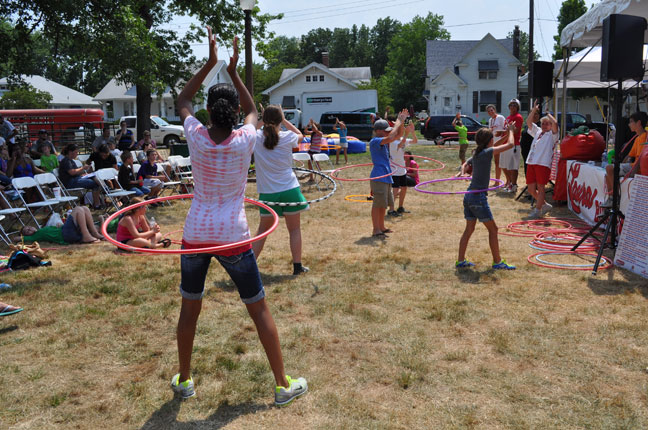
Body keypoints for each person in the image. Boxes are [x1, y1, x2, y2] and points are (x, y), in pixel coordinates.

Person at [172, 28, 307, 405]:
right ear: (233, 112)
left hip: (196, 232)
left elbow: (182, 97)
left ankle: (184, 380)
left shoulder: (195, 134)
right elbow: (253, 110)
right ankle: (282, 384)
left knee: (190, 308)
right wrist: (232, 69)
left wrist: (211, 63)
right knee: (258, 306)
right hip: (232, 233)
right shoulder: (245, 137)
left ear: (208, 111)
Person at [252, 104, 309, 275]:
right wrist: (284, 120)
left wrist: (263, 119)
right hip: (289, 189)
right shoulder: (287, 136)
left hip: (268, 192)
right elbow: (301, 135)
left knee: (262, 231)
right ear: (280, 120)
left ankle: (249, 268)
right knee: (294, 229)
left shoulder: (256, 136)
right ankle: (297, 267)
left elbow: (247, 130)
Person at [456, 124, 517, 270]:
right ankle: (497, 262)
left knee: (469, 229)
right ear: (489, 141)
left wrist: (462, 172)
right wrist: (511, 132)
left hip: (469, 196)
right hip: (478, 198)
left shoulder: (477, 152)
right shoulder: (486, 152)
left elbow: (466, 163)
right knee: (493, 230)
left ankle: (460, 261)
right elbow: (511, 144)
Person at [369, 110, 407, 238]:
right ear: (378, 131)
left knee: (384, 204)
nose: (388, 131)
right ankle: (376, 229)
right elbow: (391, 136)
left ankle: (382, 227)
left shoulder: (384, 141)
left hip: (386, 176)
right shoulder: (375, 141)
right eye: (386, 130)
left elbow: (399, 134)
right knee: (377, 204)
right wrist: (398, 121)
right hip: (379, 176)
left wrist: (401, 122)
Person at [602, 111, 648, 207]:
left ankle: (613, 198)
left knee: (609, 168)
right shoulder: (638, 138)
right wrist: (619, 164)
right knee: (608, 174)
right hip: (633, 166)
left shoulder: (645, 138)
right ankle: (613, 197)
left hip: (637, 169)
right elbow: (629, 155)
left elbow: (640, 159)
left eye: (631, 122)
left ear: (638, 123)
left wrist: (631, 171)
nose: (629, 124)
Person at [525, 101, 559, 218]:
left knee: (540, 187)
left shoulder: (553, 135)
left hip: (543, 164)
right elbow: (528, 122)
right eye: (543, 123)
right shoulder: (538, 131)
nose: (544, 125)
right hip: (532, 162)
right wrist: (534, 110)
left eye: (547, 124)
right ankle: (544, 204)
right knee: (530, 189)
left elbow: (555, 123)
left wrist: (548, 113)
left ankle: (538, 210)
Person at [21, 206, 105, 244]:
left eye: (29, 227)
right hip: (66, 235)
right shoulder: (35, 236)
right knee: (78, 209)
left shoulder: (41, 229)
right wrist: (22, 236)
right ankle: (86, 236)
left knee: (85, 208)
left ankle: (95, 233)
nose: (30, 229)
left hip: (66, 231)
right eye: (27, 231)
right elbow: (16, 238)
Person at [58, 144, 102, 209]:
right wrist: (83, 168)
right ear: (70, 152)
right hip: (70, 183)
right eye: (76, 152)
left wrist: (85, 173)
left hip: (75, 179)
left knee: (94, 178)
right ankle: (97, 203)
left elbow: (76, 172)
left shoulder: (71, 161)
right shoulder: (66, 161)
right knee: (94, 183)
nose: (77, 154)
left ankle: (101, 195)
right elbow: (72, 172)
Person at [389, 121, 418, 216]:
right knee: (395, 189)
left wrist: (412, 132)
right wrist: (406, 134)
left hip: (402, 170)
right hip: (394, 170)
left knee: (404, 188)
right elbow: (401, 145)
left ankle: (400, 207)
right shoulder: (392, 142)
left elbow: (415, 141)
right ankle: (391, 210)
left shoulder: (401, 139)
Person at [499, 99, 524, 193]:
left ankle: (513, 185)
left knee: (512, 167)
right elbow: (508, 130)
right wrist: (501, 132)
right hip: (505, 144)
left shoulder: (518, 117)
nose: (512, 106)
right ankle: (509, 183)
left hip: (513, 145)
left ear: (517, 107)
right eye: (511, 105)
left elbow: (516, 131)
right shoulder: (509, 117)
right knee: (504, 165)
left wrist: (506, 131)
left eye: (514, 105)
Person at [487, 104, 506, 181]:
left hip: (501, 143)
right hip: (494, 144)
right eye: (488, 111)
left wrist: (501, 133)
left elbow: (506, 129)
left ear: (494, 110)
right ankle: (497, 181)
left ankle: (509, 181)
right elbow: (490, 132)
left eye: (491, 110)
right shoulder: (490, 120)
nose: (490, 112)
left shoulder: (500, 118)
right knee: (497, 162)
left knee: (503, 163)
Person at [520, 108, 540, 174]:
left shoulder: (540, 126)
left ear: (539, 115)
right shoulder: (526, 126)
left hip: (534, 151)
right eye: (532, 114)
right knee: (527, 166)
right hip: (525, 150)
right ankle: (528, 182)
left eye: (536, 114)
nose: (534, 115)